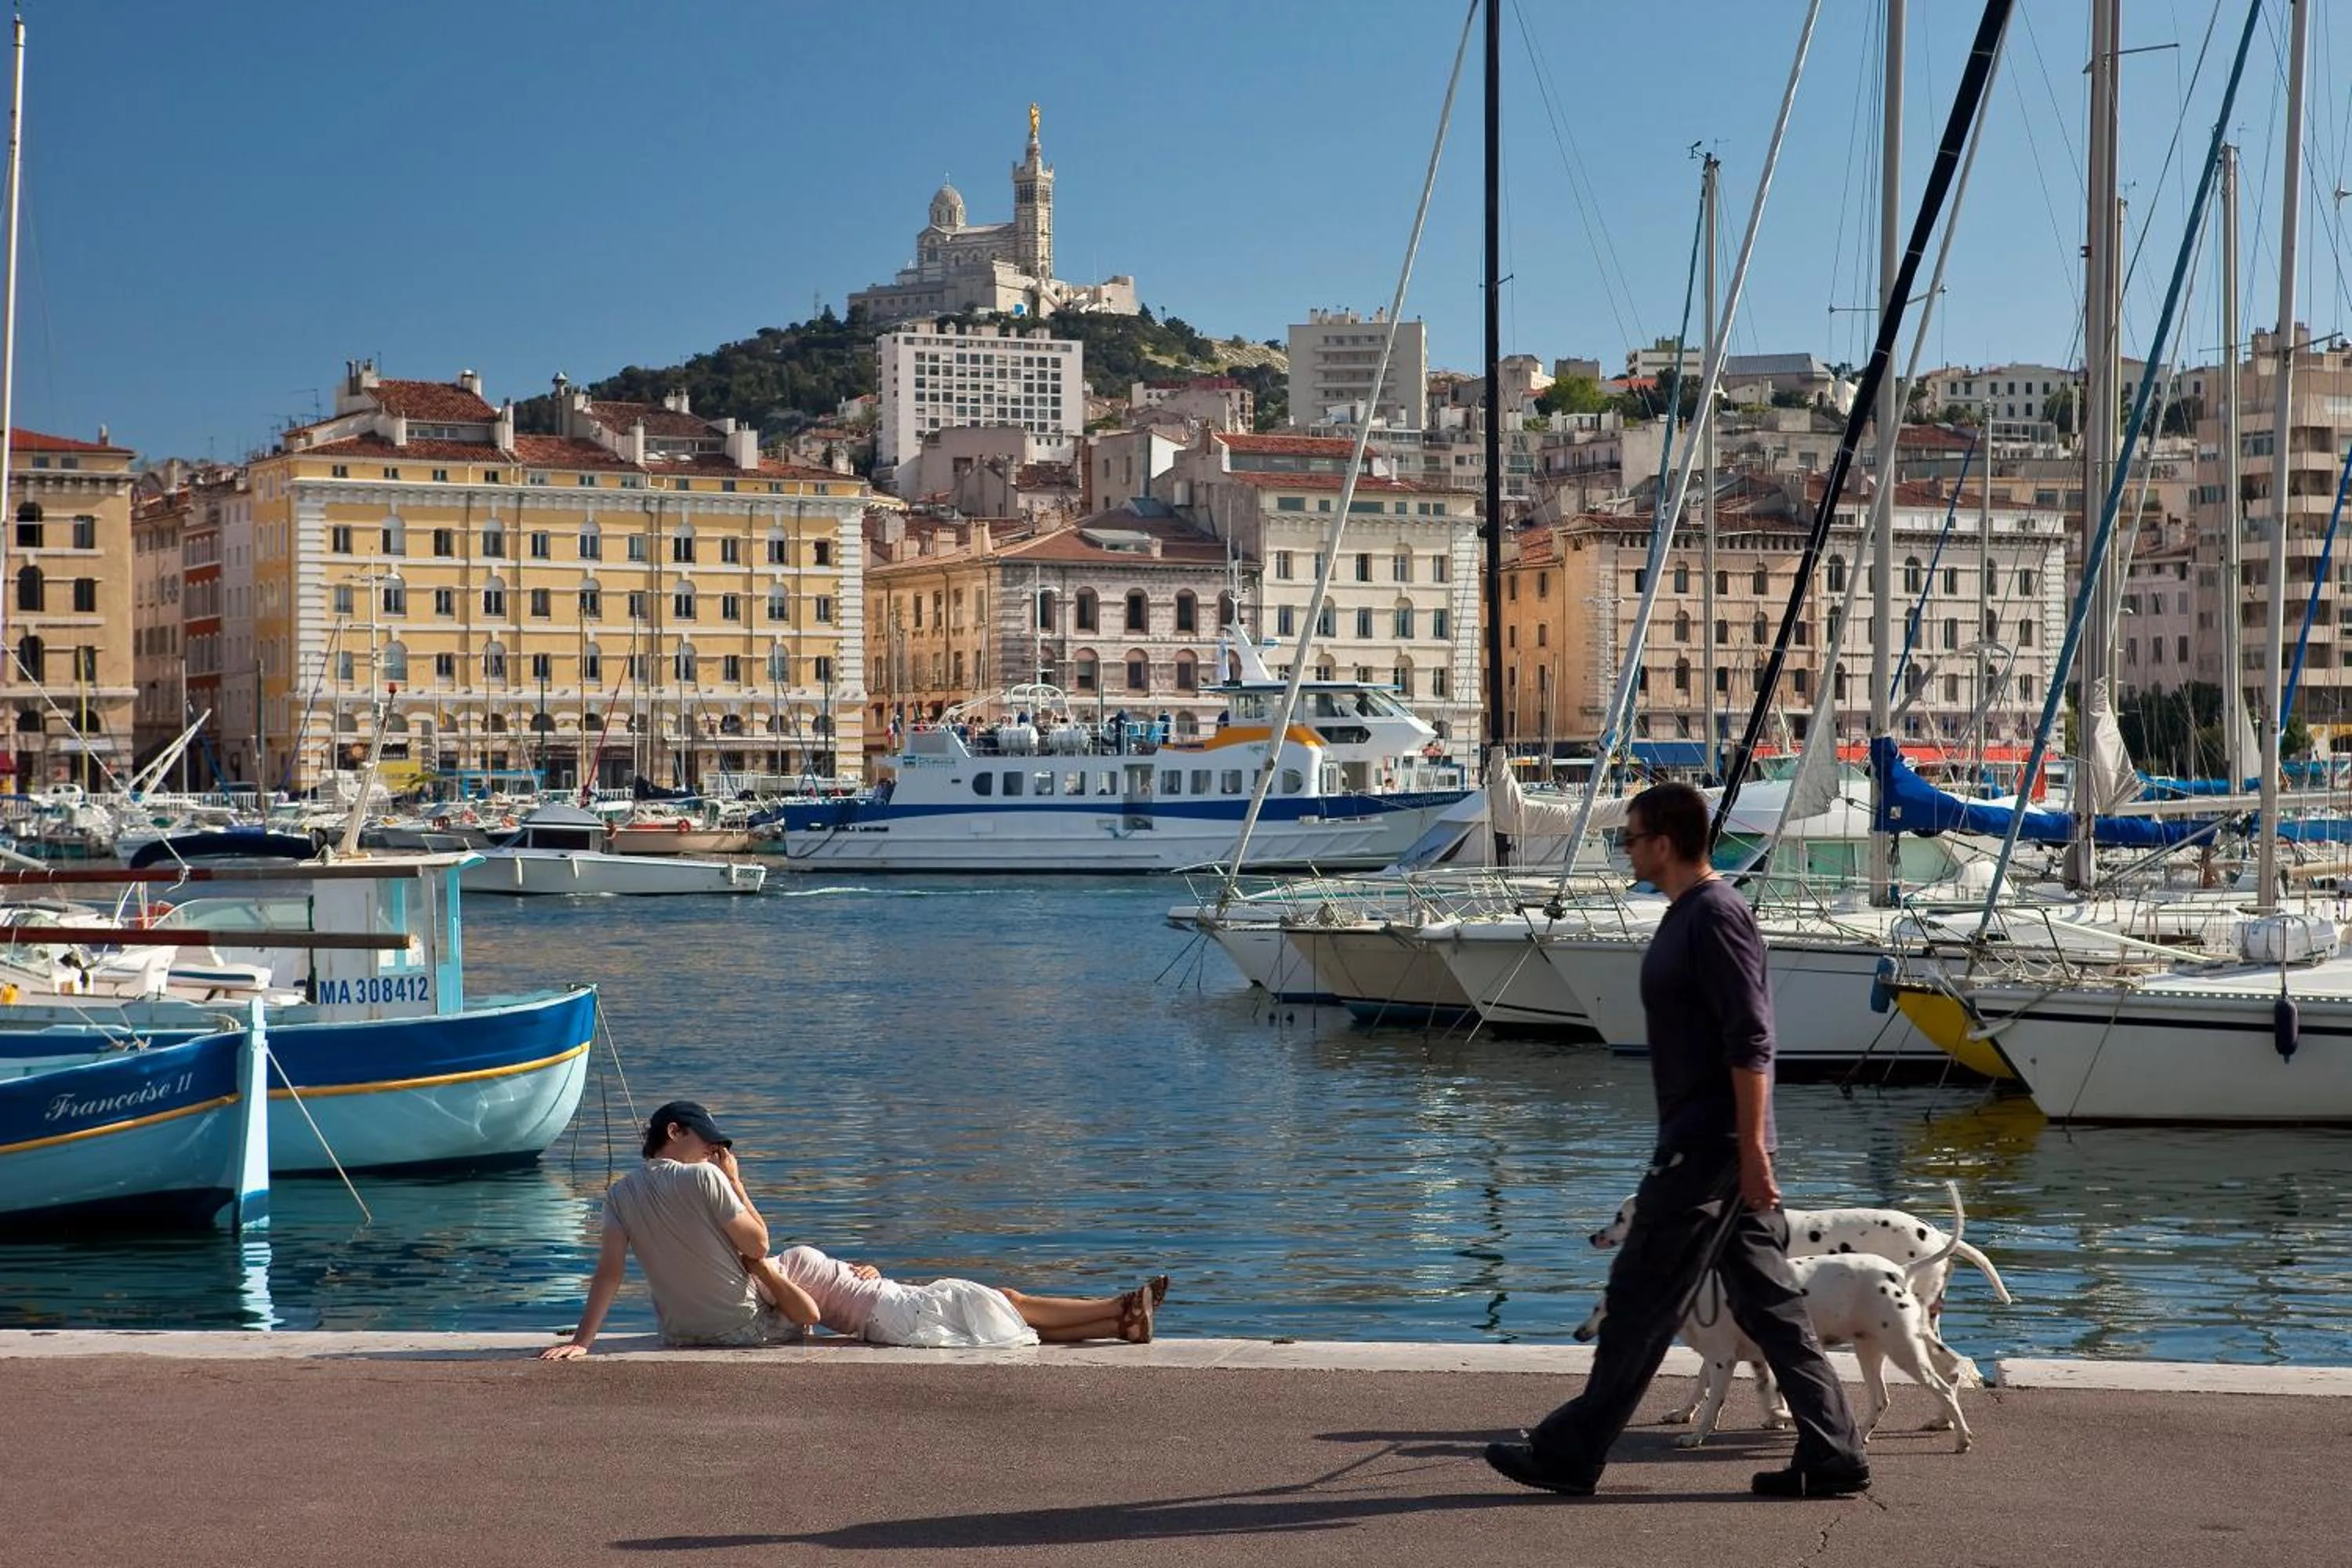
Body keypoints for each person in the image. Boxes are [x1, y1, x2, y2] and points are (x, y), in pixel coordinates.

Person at [1483, 782, 1871, 1500]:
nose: (1624, 848)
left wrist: (1751, 1150)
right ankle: (1833, 1451)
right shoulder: (1688, 915)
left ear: (1664, 842)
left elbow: (1752, 1039)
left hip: (1712, 1147)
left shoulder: (1716, 916)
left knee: (1639, 1297)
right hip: (1712, 1142)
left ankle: (1572, 1450)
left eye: (1629, 837)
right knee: (1770, 1303)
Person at [539, 1101, 1168, 1359]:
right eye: (711, 1141)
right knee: (997, 1302)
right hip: (830, 1315)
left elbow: (610, 1273)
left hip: (710, 1326)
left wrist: (587, 1341)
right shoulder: (703, 1182)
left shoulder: (619, 1194)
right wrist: (736, 1182)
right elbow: (757, 1246)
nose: (716, 1151)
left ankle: (1118, 1319)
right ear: (677, 1134)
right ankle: (1116, 1311)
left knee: (999, 1305)